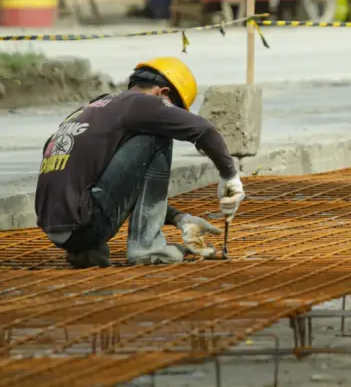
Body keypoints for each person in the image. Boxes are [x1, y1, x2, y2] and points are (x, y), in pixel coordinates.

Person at [35, 57, 246, 268]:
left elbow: (122, 185)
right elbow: (204, 130)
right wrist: (229, 175)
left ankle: (86, 252)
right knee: (157, 136)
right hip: (87, 225)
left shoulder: (91, 110)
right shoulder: (144, 104)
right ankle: (148, 248)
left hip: (58, 226)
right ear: (162, 93)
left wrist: (181, 219)